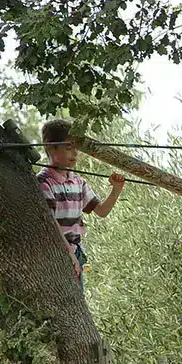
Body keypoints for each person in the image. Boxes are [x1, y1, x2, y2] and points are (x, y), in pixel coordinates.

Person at [37, 119, 125, 290]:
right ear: (50, 147)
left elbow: (101, 211)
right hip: (58, 252)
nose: (75, 154)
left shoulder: (78, 181)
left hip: (76, 251)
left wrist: (116, 190)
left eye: (77, 148)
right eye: (69, 148)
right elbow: (50, 224)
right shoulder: (44, 182)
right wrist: (68, 254)